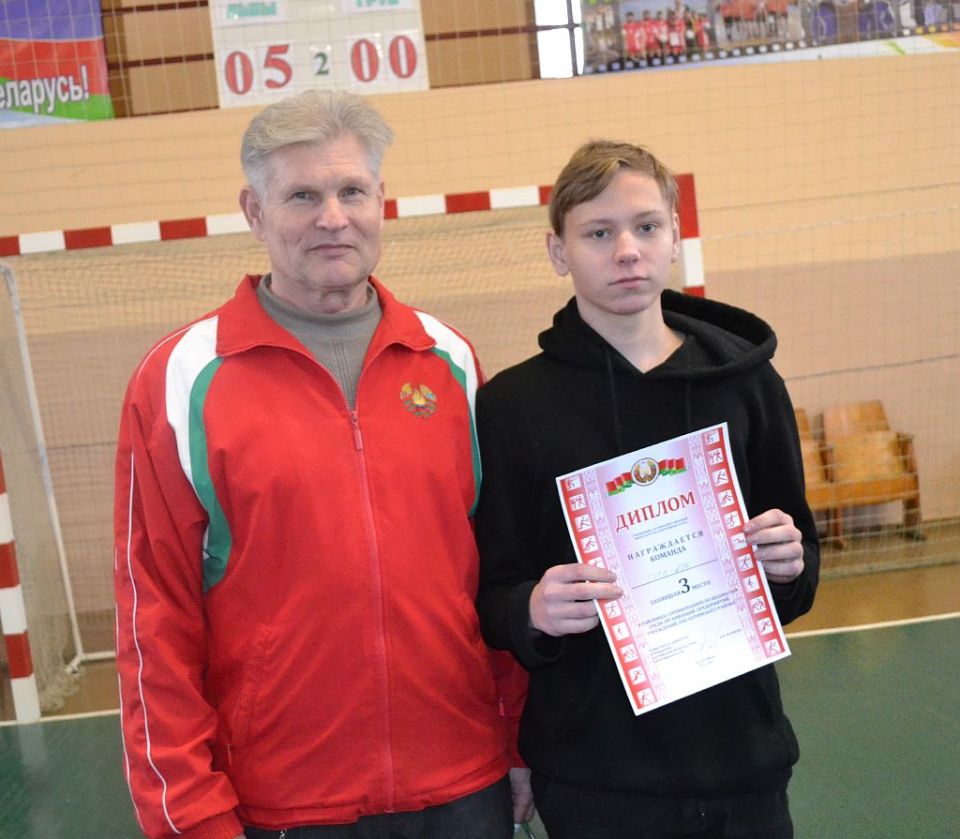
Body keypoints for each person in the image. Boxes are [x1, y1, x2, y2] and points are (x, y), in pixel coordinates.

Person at [114, 89, 531, 839]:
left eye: (351, 191)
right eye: (302, 195)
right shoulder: (179, 378)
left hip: (465, 783)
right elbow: (154, 615)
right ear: (255, 211)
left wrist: (521, 742)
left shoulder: (450, 362)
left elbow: (496, 570)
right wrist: (187, 812)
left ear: (381, 202)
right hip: (283, 800)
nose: (332, 217)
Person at [474, 140, 819, 839]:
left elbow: (801, 569)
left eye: (646, 226)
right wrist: (532, 608)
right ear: (559, 251)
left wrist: (788, 563)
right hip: (597, 777)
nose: (627, 250)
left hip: (741, 761)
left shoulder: (747, 382)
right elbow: (492, 594)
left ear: (674, 236)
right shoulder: (510, 405)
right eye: (599, 233)